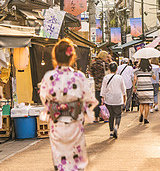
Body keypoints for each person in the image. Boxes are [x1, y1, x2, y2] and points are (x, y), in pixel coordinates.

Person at [39, 39, 97, 171]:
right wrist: (80, 108)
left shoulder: (49, 76)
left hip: (57, 124)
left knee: (60, 158)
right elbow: (89, 99)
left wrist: (55, 106)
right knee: (75, 159)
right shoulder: (79, 76)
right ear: (72, 56)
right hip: (75, 122)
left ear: (55, 56)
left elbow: (44, 98)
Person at [100, 62, 126, 139]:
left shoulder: (106, 77)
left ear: (109, 69)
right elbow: (123, 89)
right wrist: (124, 98)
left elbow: (103, 89)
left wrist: (102, 98)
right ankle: (116, 126)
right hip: (118, 98)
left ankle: (111, 132)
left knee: (111, 116)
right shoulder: (120, 77)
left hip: (109, 99)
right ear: (117, 69)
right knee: (118, 115)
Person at [133, 59, 155, 124]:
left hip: (140, 89)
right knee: (147, 104)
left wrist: (134, 87)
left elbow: (134, 80)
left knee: (141, 103)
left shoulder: (137, 71)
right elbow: (154, 78)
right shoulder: (150, 71)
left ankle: (141, 114)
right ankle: (145, 118)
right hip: (149, 89)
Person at [89, 50, 109, 122]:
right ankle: (104, 116)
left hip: (97, 85)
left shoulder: (93, 64)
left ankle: (96, 117)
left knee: (97, 101)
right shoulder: (106, 64)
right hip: (105, 86)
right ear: (103, 57)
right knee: (104, 102)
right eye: (106, 57)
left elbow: (91, 74)